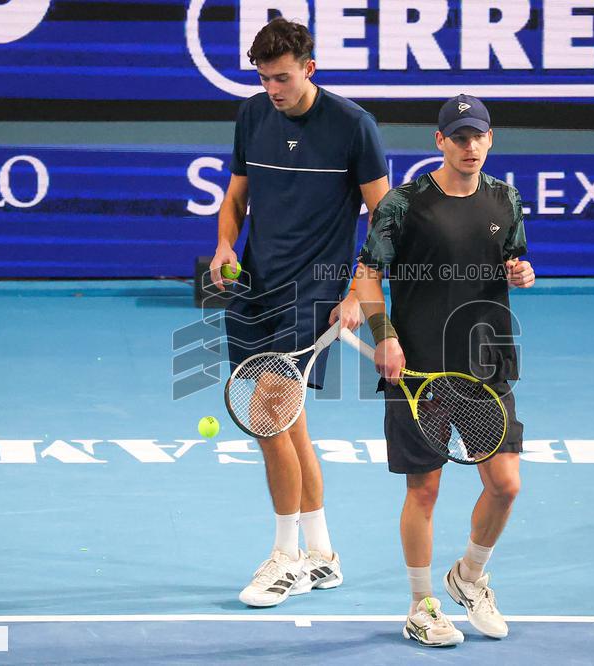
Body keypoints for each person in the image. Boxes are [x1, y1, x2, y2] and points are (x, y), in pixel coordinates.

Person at [209, 17, 390, 607]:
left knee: (266, 416)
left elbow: (384, 220)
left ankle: (285, 558)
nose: (272, 90)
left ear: (309, 69)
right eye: (263, 79)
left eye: (282, 78)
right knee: (289, 425)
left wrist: (359, 290)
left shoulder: (352, 126)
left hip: (313, 292)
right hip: (253, 287)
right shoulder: (252, 115)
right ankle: (322, 553)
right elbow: (236, 195)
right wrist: (224, 247)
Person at [353, 94, 535, 646]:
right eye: (459, 137)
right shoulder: (404, 204)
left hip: (484, 362)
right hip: (419, 371)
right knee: (424, 491)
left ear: (490, 138)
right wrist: (384, 338)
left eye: (478, 136)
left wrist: (521, 271)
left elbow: (514, 258)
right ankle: (420, 605)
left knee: (504, 485)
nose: (470, 146)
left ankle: (470, 575)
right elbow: (367, 276)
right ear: (440, 142)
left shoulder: (506, 198)